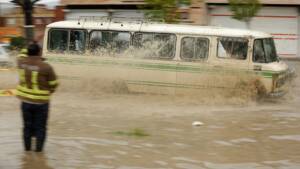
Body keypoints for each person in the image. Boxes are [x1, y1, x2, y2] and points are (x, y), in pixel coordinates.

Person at [16, 42, 58, 152]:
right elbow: (54, 83)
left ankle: (27, 151)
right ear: (39, 52)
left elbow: (21, 54)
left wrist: (30, 47)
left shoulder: (21, 63)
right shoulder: (46, 67)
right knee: (41, 127)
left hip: (26, 102)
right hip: (41, 103)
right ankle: (39, 152)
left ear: (28, 52)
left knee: (27, 127)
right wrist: (49, 92)